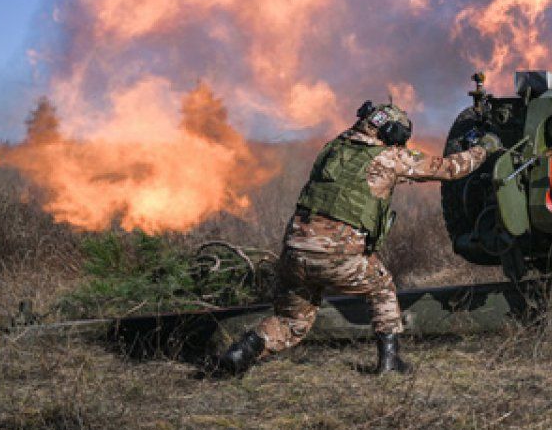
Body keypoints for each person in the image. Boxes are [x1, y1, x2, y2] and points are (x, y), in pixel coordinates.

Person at [212, 101, 499, 376]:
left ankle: (242, 352)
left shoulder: (333, 148)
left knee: (292, 321)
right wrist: (484, 148)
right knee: (382, 286)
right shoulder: (389, 158)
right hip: (337, 256)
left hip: (294, 251)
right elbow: (449, 169)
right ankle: (390, 361)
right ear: (392, 134)